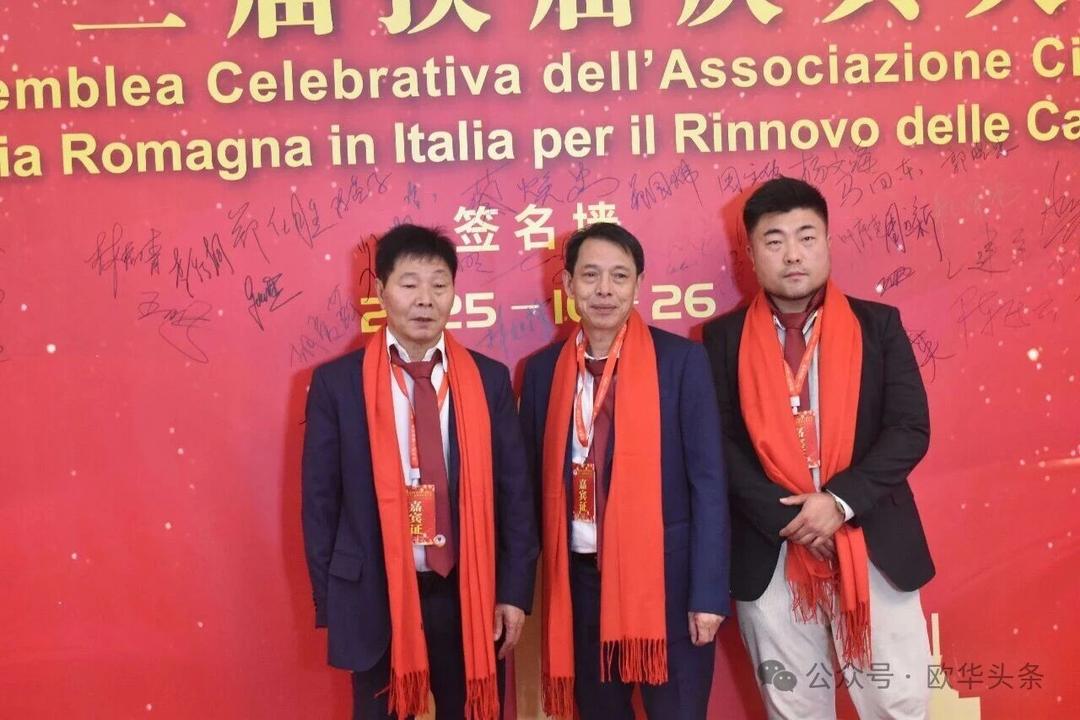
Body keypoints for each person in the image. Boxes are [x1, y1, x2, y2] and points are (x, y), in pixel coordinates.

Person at [702, 177, 935, 720]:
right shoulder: (721, 340)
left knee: (897, 704)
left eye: (806, 237)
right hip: (772, 547)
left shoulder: (879, 326)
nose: (793, 254)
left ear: (827, 243)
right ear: (751, 254)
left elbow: (909, 429)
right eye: (774, 240)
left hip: (871, 540)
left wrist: (838, 503)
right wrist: (790, 518)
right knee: (794, 709)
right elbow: (718, 444)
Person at [301, 224, 539, 720]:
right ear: (381, 290)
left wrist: (514, 592)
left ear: (453, 292)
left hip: (468, 595)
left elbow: (516, 496)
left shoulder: (488, 380)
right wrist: (335, 599)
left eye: (439, 284)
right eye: (409, 284)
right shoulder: (337, 385)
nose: (425, 299)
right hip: (376, 595)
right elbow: (319, 503)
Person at [519, 222, 730, 720]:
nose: (604, 290)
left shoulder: (681, 362)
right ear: (568, 284)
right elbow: (526, 489)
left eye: (619, 276)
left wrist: (708, 593)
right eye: (590, 275)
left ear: (638, 284)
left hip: (668, 585)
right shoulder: (543, 371)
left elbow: (709, 484)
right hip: (582, 588)